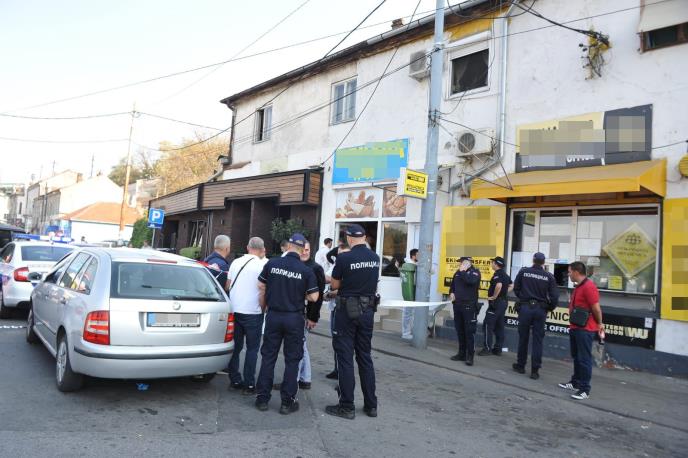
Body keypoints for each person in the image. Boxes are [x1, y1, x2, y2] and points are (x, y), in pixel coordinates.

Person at [254, 233, 319, 415]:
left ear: (288, 246)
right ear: (302, 250)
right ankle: (287, 402)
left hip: (274, 315)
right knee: (292, 360)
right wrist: (300, 293)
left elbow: (260, 285)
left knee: (268, 357)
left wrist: (266, 303)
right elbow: (314, 296)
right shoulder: (306, 270)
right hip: (294, 318)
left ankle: (262, 399)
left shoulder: (273, 264)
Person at [326, 224, 380, 420]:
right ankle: (371, 405)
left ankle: (347, 406)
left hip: (347, 312)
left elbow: (334, 284)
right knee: (365, 357)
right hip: (367, 311)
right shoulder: (375, 258)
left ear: (349, 238)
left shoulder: (344, 258)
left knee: (345, 358)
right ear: (364, 238)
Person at [227, 237, 268, 394]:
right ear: (262, 249)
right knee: (252, 349)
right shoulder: (262, 266)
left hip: (235, 310)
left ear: (247, 247)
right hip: (253, 312)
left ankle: (234, 380)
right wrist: (263, 309)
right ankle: (249, 384)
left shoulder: (235, 262)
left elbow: (228, 285)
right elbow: (263, 289)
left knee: (235, 348)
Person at [560, 261, 603, 400]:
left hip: (585, 329)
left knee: (584, 359)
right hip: (575, 326)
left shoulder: (589, 287)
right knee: (577, 357)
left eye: (569, 272)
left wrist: (600, 324)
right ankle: (575, 382)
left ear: (576, 272)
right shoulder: (579, 286)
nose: (568, 274)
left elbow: (596, 308)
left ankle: (585, 390)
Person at [512, 252, 559, 380]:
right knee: (538, 340)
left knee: (523, 338)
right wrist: (549, 308)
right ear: (543, 262)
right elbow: (554, 296)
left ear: (533, 260)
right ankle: (535, 371)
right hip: (540, 310)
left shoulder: (524, 272)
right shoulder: (549, 276)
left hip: (525, 308)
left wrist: (523, 298)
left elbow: (516, 288)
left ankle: (521, 365)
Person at [297, 242, 326, 389]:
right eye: (302, 250)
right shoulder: (296, 265)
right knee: (301, 345)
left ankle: (299, 379)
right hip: (297, 312)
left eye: (307, 250)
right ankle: (304, 378)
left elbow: (318, 296)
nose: (304, 252)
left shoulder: (316, 268)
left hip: (306, 313)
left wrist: (313, 317)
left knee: (299, 346)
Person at [324, 242, 350, 380]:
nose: (340, 257)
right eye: (339, 255)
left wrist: (331, 293)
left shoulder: (351, 267)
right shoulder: (337, 265)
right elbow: (328, 278)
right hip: (335, 307)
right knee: (336, 341)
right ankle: (337, 369)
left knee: (343, 343)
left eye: (343, 254)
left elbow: (346, 289)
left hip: (346, 309)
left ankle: (343, 374)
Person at [449, 256, 481, 366]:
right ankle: (461, 353)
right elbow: (452, 286)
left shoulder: (474, 272)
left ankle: (470, 356)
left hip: (469, 306)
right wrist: (451, 292)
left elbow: (470, 281)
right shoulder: (457, 272)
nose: (460, 264)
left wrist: (463, 271)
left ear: (468, 263)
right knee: (460, 330)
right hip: (458, 305)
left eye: (461, 262)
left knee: (469, 332)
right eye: (460, 263)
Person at [479, 257, 512, 356]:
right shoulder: (505, 274)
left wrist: (494, 296)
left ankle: (487, 349)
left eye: (492, 262)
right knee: (499, 326)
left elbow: (499, 285)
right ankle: (498, 349)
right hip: (503, 303)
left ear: (496, 264)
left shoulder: (498, 274)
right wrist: (503, 293)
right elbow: (512, 285)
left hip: (496, 303)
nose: (491, 264)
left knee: (487, 325)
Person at [401, 248, 419, 340]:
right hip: (410, 292)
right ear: (413, 256)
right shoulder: (409, 265)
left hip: (414, 291)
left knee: (411, 313)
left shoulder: (415, 265)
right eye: (418, 255)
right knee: (408, 313)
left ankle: (410, 332)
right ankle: (406, 333)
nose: (420, 256)